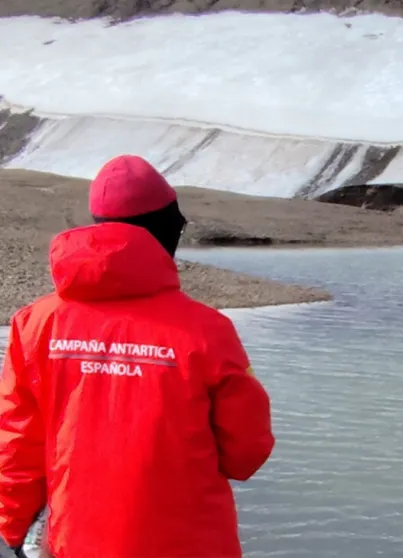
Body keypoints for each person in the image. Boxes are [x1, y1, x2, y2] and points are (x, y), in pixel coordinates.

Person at [0, 154, 276, 557]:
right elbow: (246, 452)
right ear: (168, 230)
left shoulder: (35, 324)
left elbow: (17, 444)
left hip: (74, 541)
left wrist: (15, 530)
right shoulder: (207, 331)